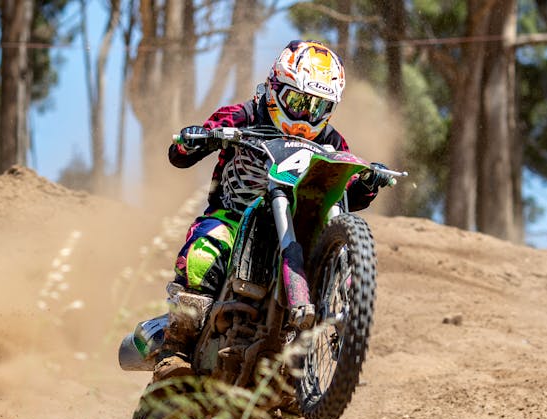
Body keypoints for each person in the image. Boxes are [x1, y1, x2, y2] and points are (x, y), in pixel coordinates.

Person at [154, 40, 392, 381]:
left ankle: (342, 333)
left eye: (318, 107)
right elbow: (180, 155)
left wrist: (367, 183)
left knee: (330, 245)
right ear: (275, 88)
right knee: (202, 255)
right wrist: (197, 138)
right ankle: (175, 351)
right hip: (234, 216)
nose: (305, 116)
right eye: (296, 101)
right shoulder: (243, 115)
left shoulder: (331, 141)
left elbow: (346, 195)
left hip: (298, 228)